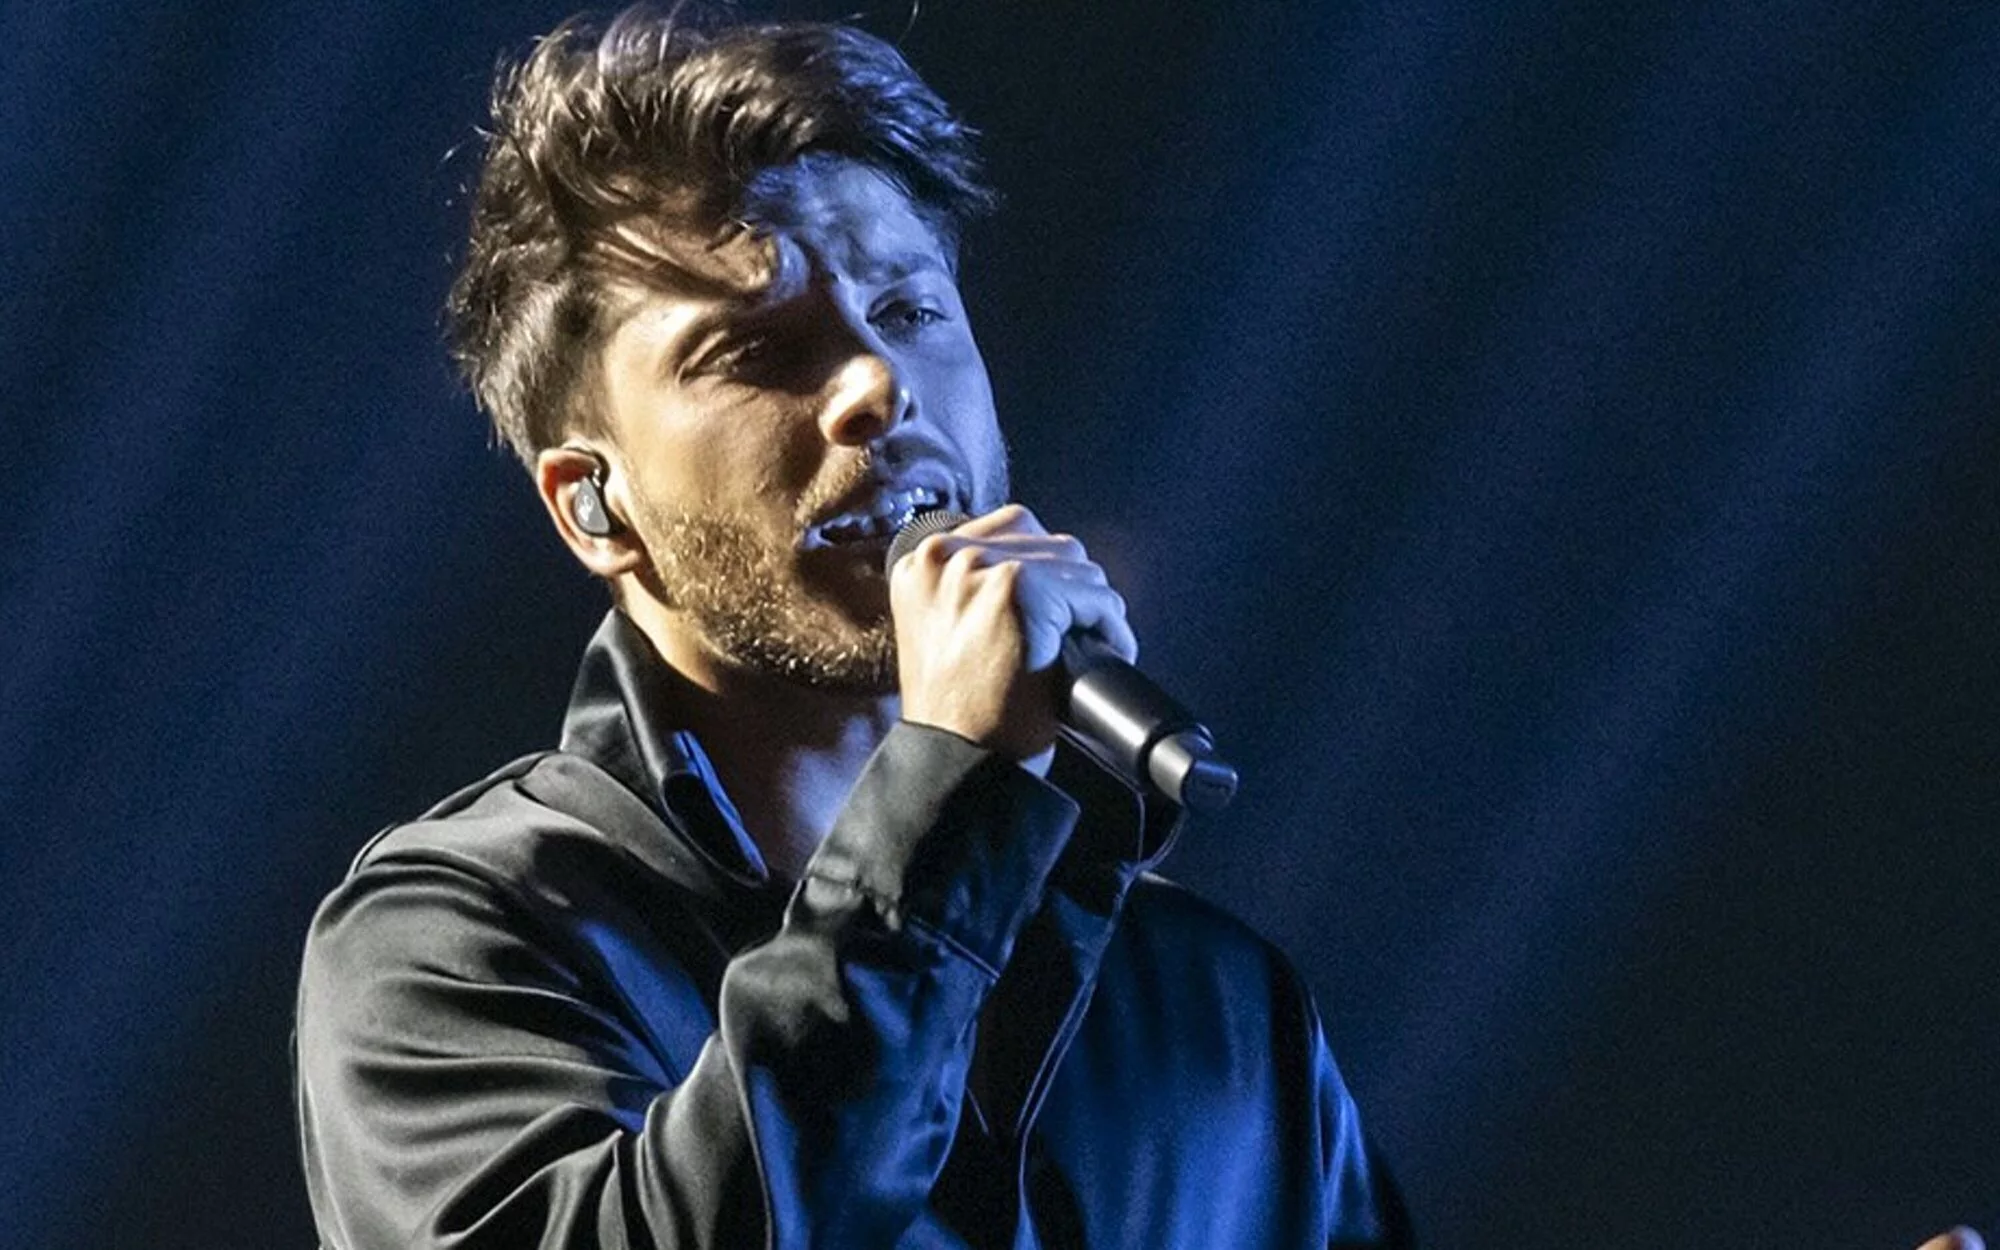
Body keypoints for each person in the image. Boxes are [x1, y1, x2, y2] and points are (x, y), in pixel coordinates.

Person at [292, 8, 1415, 1247]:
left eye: (911, 312)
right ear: (593, 506)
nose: (877, 382)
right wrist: (953, 792)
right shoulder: (461, 939)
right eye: (756, 349)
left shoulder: (1214, 1012)